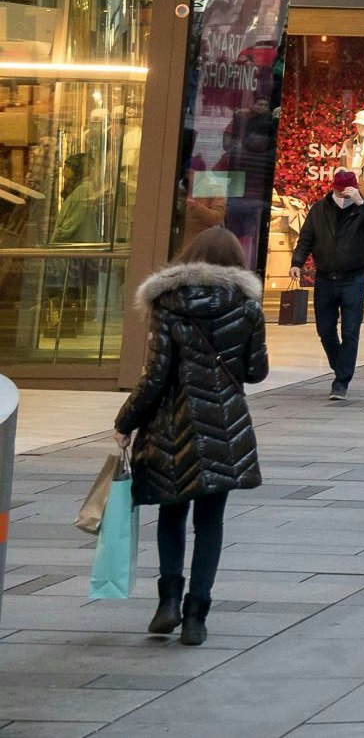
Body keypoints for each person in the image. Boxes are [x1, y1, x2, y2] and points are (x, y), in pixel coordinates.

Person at [114, 228, 269, 645]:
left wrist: (125, 420)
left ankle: (167, 602)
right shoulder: (248, 306)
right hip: (223, 426)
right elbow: (256, 371)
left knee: (171, 513)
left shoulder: (168, 303)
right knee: (211, 522)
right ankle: (197, 616)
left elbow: (155, 375)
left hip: (171, 426)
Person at [289, 170, 364, 401]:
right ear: (333, 188)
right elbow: (306, 238)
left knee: (351, 331)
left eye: (348, 191)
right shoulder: (320, 208)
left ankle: (341, 382)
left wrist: (362, 203)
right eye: (340, 190)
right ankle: (340, 366)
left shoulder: (363, 208)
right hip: (325, 277)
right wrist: (297, 263)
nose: (344, 195)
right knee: (325, 330)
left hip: (354, 277)